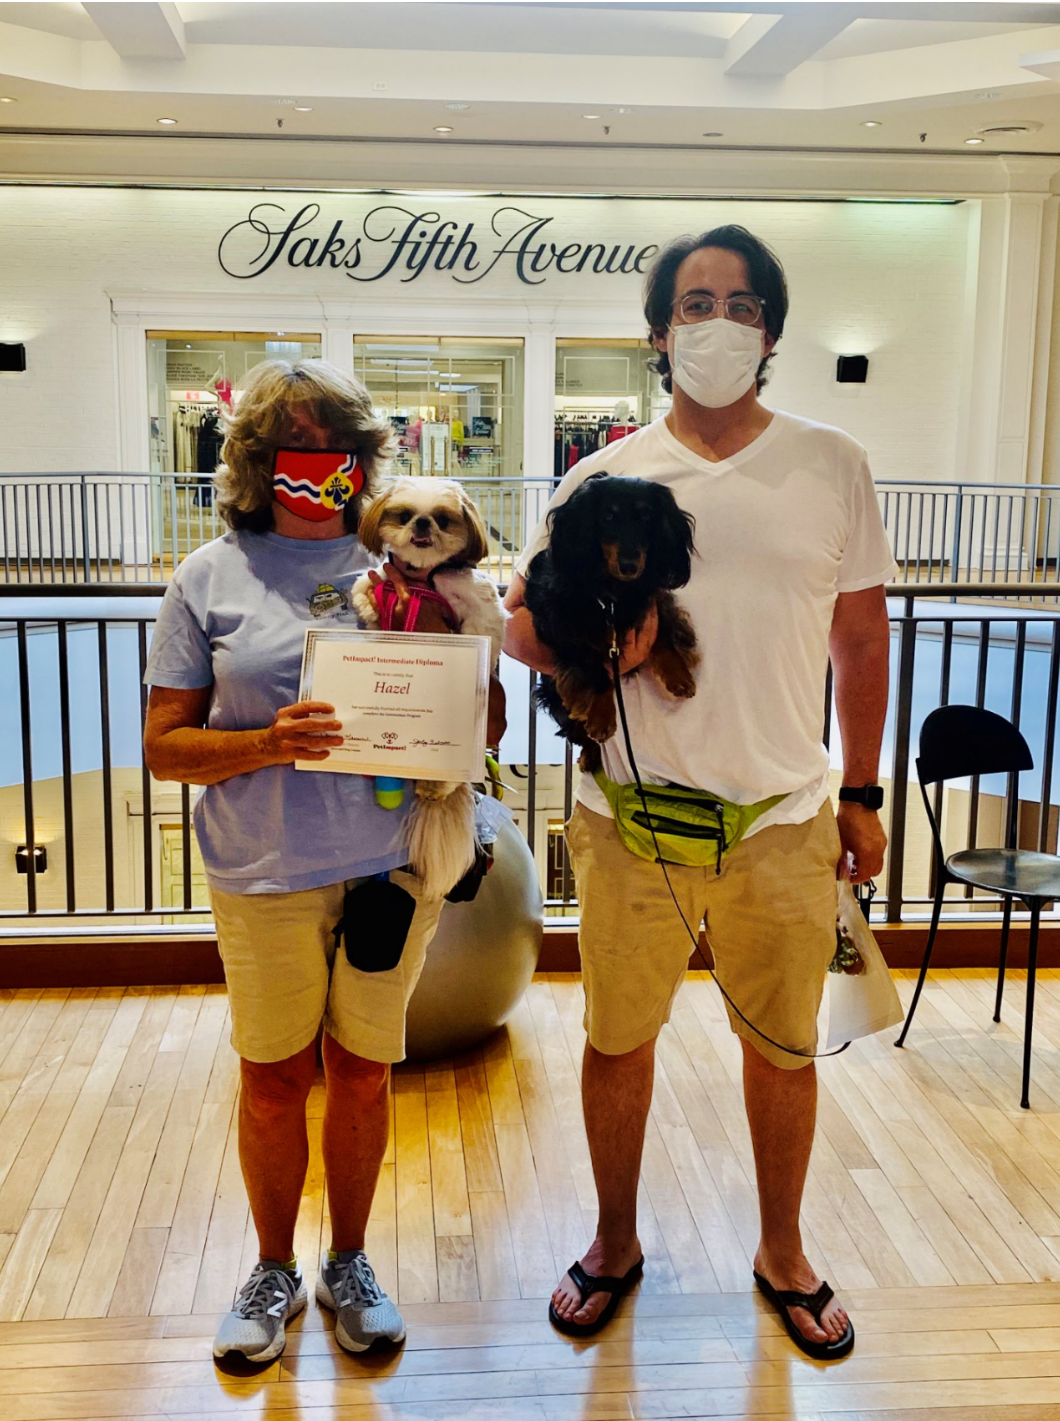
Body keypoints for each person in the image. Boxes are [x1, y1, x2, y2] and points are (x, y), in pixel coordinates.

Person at [504, 225, 895, 1358]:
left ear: (769, 331)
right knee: (618, 1039)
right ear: (658, 331)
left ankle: (783, 1250)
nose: (715, 322)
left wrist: (863, 790)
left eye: (739, 304)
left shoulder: (832, 461)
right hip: (629, 824)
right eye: (693, 303)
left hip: (782, 822)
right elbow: (522, 625)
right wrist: (592, 651)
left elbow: (862, 640)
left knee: (783, 1048)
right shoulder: (601, 477)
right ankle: (613, 1240)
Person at [143, 358, 501, 1364]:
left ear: (363, 458)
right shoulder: (207, 576)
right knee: (271, 1077)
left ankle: (349, 1259)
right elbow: (165, 747)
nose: (317, 462)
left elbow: (481, 725)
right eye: (293, 445)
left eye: (337, 445)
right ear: (257, 460)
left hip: (391, 866)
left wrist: (468, 696)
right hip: (263, 867)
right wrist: (266, 741)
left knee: (363, 1071)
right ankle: (272, 1267)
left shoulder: (406, 566)